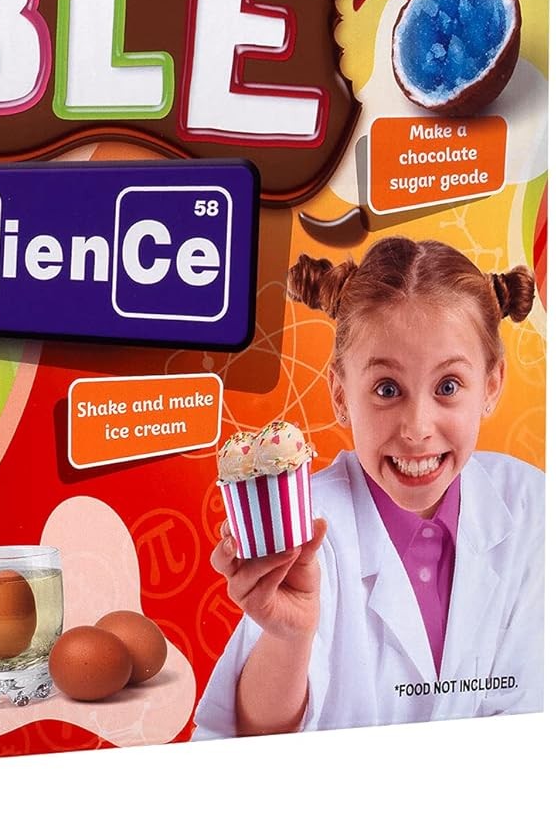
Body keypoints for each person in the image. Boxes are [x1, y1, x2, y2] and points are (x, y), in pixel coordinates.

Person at [194, 237, 543, 736]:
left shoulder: (532, 506)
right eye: (387, 389)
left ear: (490, 386)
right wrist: (289, 636)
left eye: (448, 387)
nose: (417, 428)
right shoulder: (305, 528)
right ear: (341, 395)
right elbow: (250, 741)